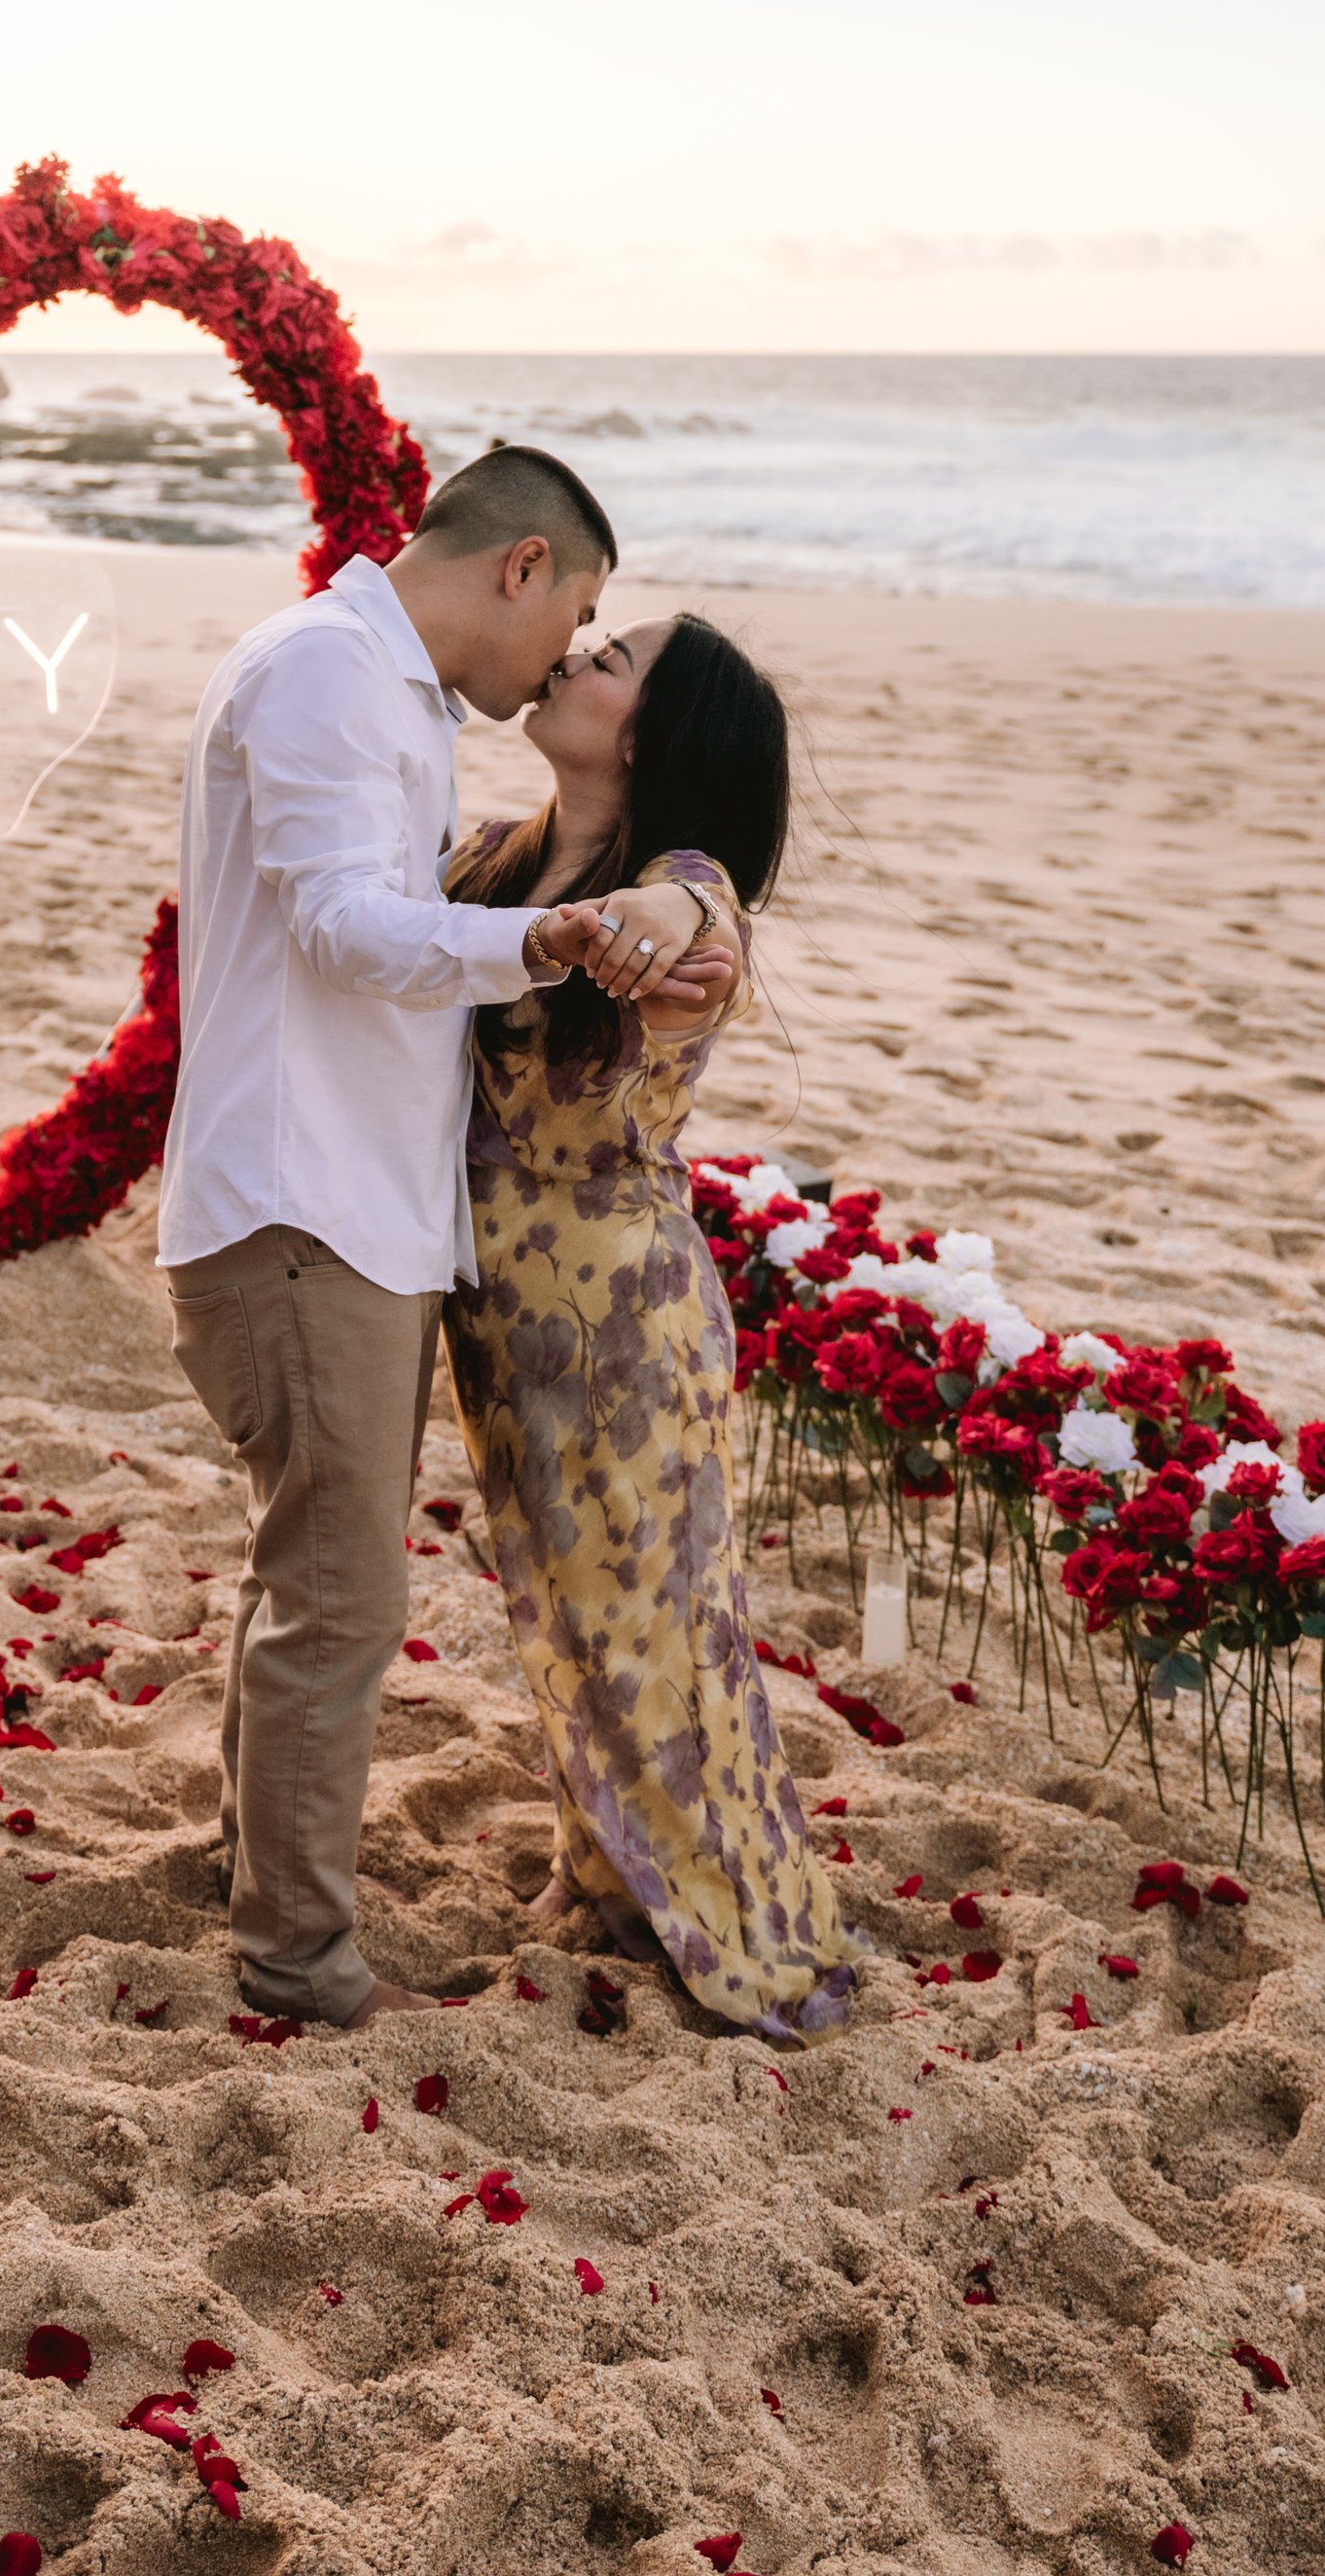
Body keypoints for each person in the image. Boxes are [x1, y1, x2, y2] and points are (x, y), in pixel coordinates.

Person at [161, 450, 713, 2032]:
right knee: (340, 1606)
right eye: (581, 614)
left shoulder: (376, 686)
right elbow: (340, 924)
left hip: (342, 1210)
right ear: (521, 568)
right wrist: (536, 939)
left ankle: (255, 1874)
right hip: (298, 1207)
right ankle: (296, 1967)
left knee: (310, 1586)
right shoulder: (333, 675)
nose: (567, 653)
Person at [443, 611, 856, 2036]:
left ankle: (744, 1931)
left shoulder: (680, 891)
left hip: (622, 1320)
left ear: (650, 735)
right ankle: (612, 1873)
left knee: (655, 1627)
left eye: (610, 657)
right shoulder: (497, 856)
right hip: (497, 1313)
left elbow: (691, 918)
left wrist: (631, 935)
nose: (570, 656)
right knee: (557, 1610)